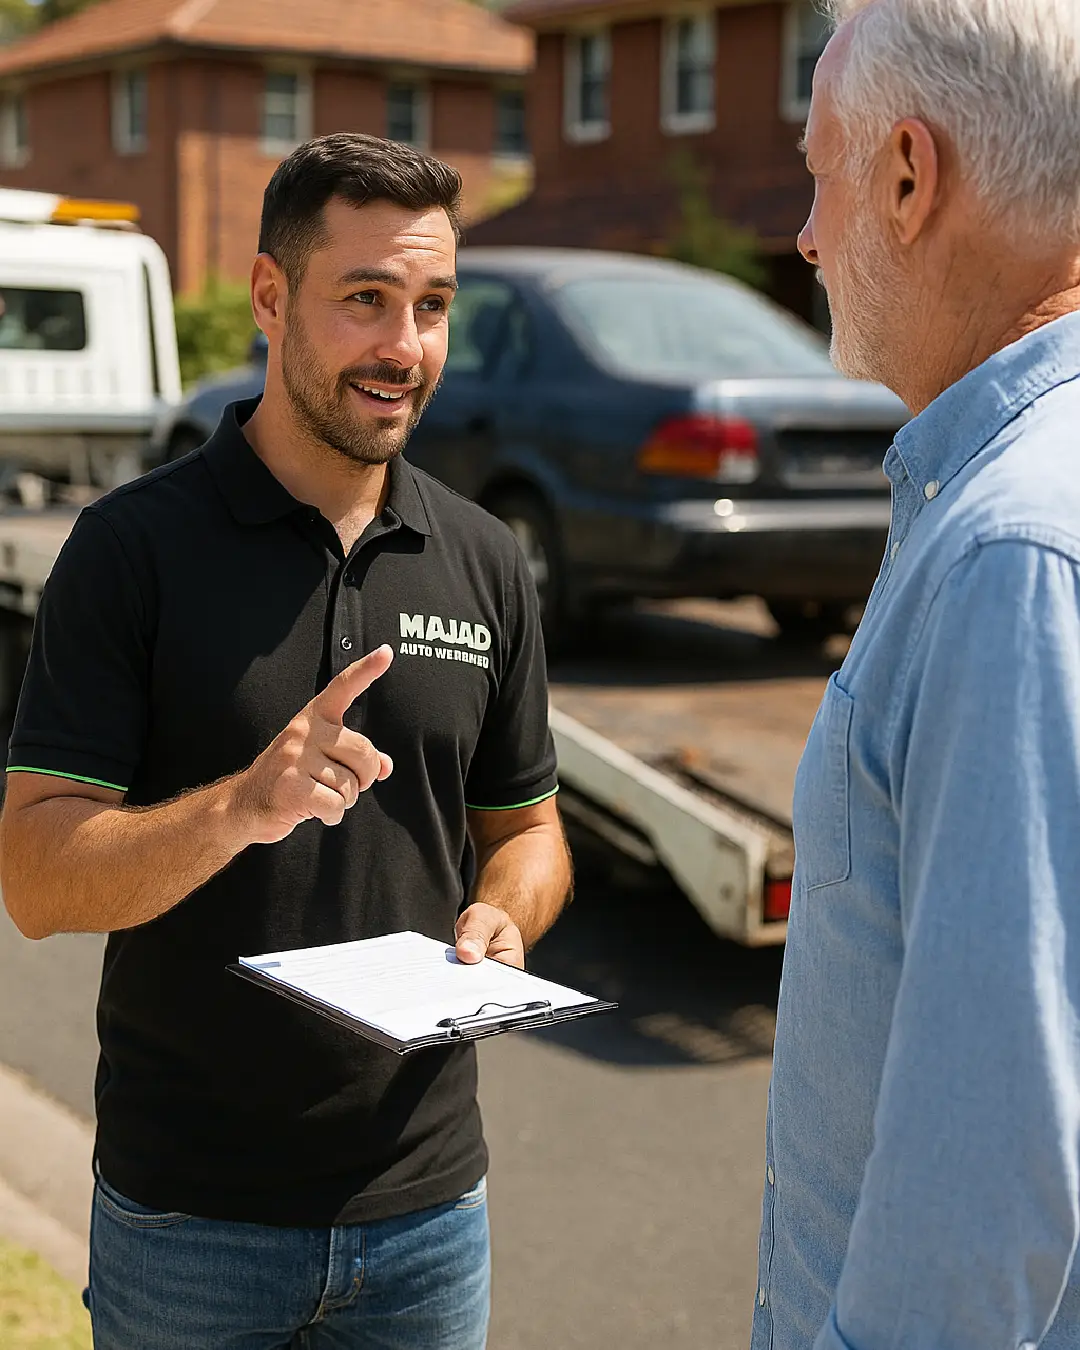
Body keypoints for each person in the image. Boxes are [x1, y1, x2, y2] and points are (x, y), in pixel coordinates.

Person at [0, 133, 572, 1349]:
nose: (404, 346)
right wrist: (238, 807)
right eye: (363, 298)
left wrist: (507, 911)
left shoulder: (482, 559)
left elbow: (528, 827)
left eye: (430, 306)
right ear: (270, 297)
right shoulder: (132, 550)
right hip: (189, 1228)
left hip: (427, 1220)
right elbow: (35, 880)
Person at [752, 2, 1080, 1348]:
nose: (806, 235)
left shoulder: (1012, 551)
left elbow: (985, 1183)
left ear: (905, 173)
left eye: (819, 172)